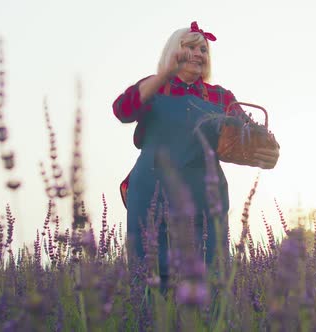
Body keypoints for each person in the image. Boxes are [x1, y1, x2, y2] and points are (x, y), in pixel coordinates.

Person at [112, 21, 280, 289]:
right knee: (150, 279)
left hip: (203, 197)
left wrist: (269, 152)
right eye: (190, 47)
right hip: (151, 191)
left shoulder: (221, 97)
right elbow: (122, 110)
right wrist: (163, 75)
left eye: (203, 49)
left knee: (210, 274)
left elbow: (251, 133)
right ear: (173, 53)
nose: (199, 54)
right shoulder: (154, 87)